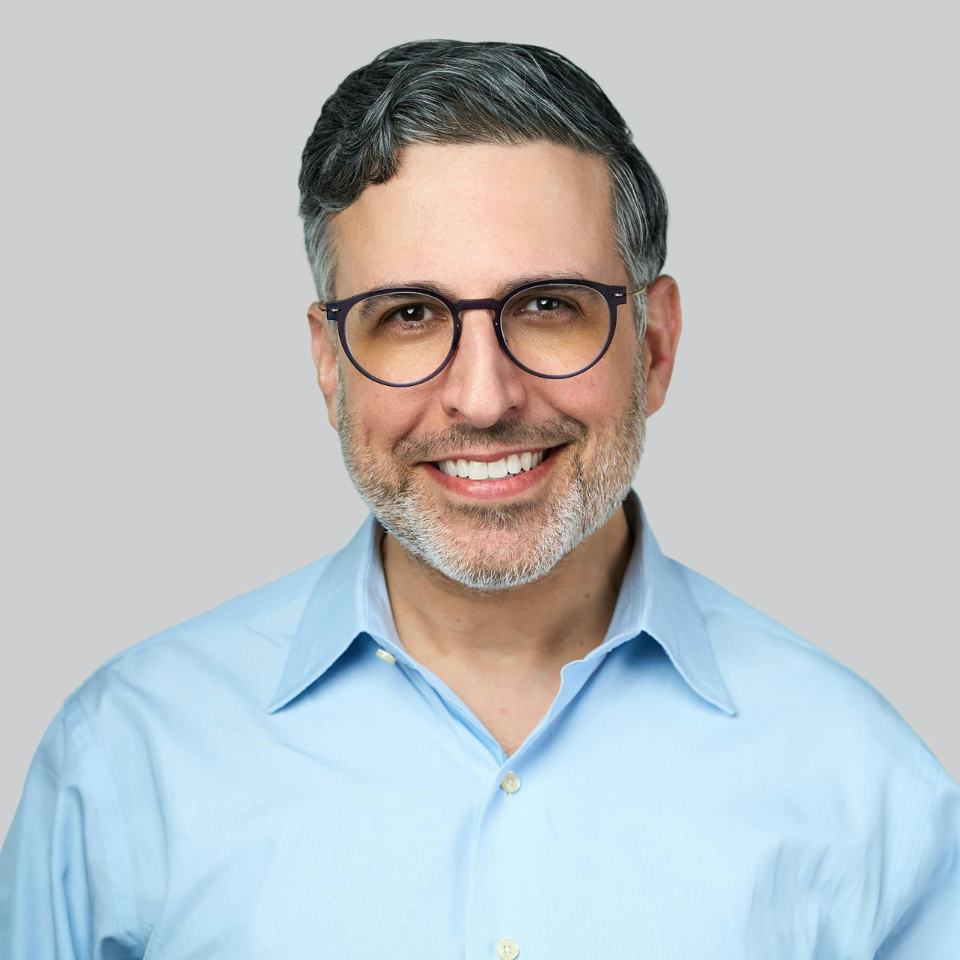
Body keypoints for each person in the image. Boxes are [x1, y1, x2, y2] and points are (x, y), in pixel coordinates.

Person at [1, 38, 957, 959]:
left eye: (546, 305)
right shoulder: (123, 763)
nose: (484, 396)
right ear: (330, 368)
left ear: (655, 348)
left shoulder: (866, 787)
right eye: (409, 317)